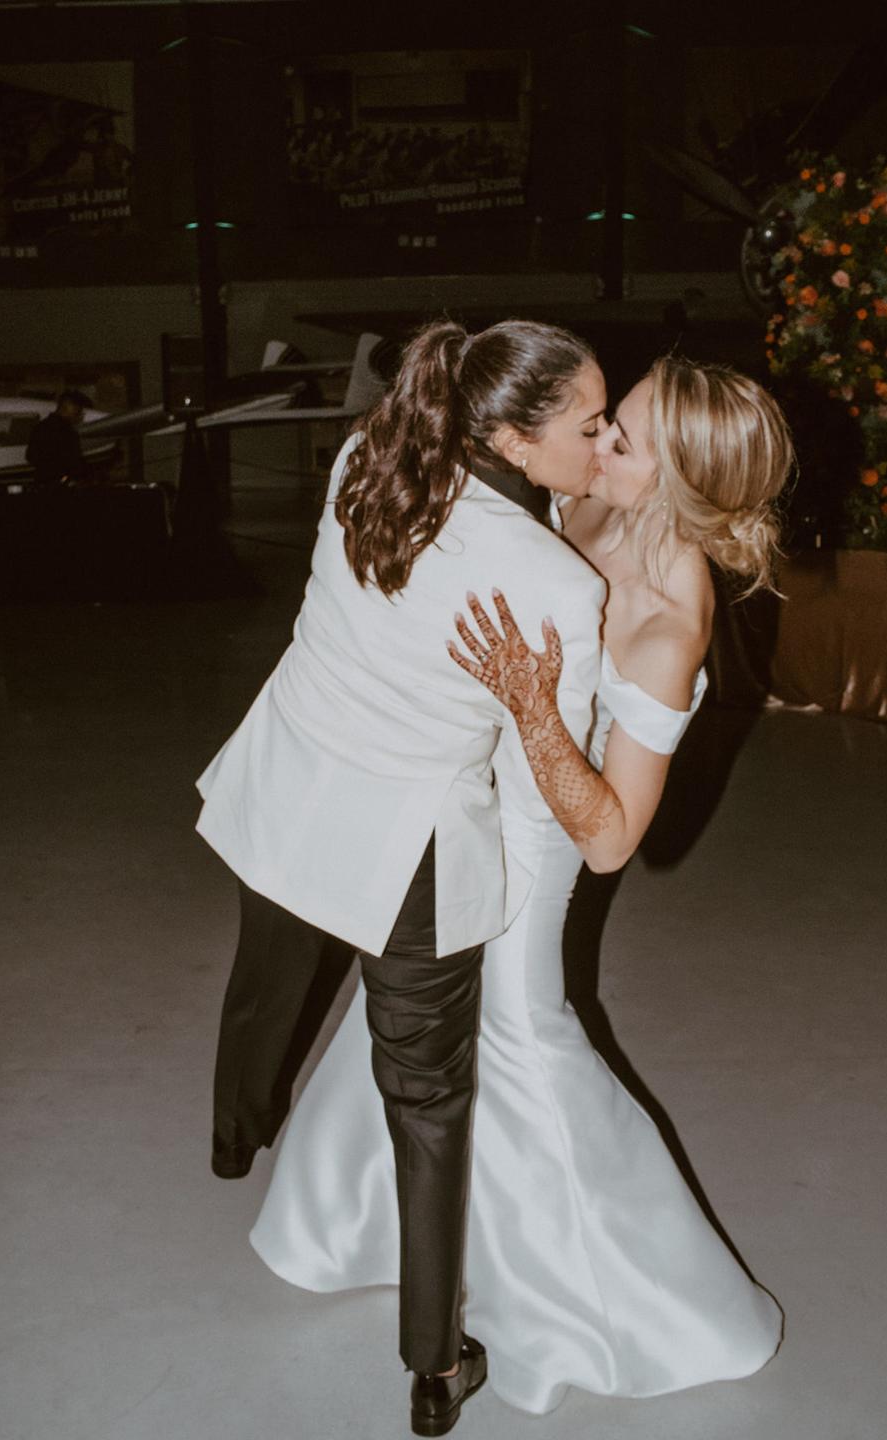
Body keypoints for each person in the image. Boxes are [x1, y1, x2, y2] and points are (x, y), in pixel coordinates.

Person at [249, 355, 794, 1416]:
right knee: (410, 1006)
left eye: (620, 439)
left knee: (517, 1027)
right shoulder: (576, 500)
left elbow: (611, 841)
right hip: (463, 793)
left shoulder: (669, 616)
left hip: (545, 835)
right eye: (605, 424)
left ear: (675, 484)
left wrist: (538, 712)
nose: (596, 445)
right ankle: (367, 1224)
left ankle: (623, 1293)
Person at [195, 319, 610, 1435]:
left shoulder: (365, 459)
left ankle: (235, 1140)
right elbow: (542, 782)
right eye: (589, 424)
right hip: (410, 854)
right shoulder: (558, 587)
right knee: (426, 1104)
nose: (604, 440)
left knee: (262, 980)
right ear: (518, 443)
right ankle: (433, 1368)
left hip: (289, 780)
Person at [25, 390, 90, 486]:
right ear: (69, 406)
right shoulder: (67, 432)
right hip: (63, 485)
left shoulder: (40, 427)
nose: (79, 413)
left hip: (43, 483)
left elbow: (30, 456)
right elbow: (74, 461)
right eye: (78, 408)